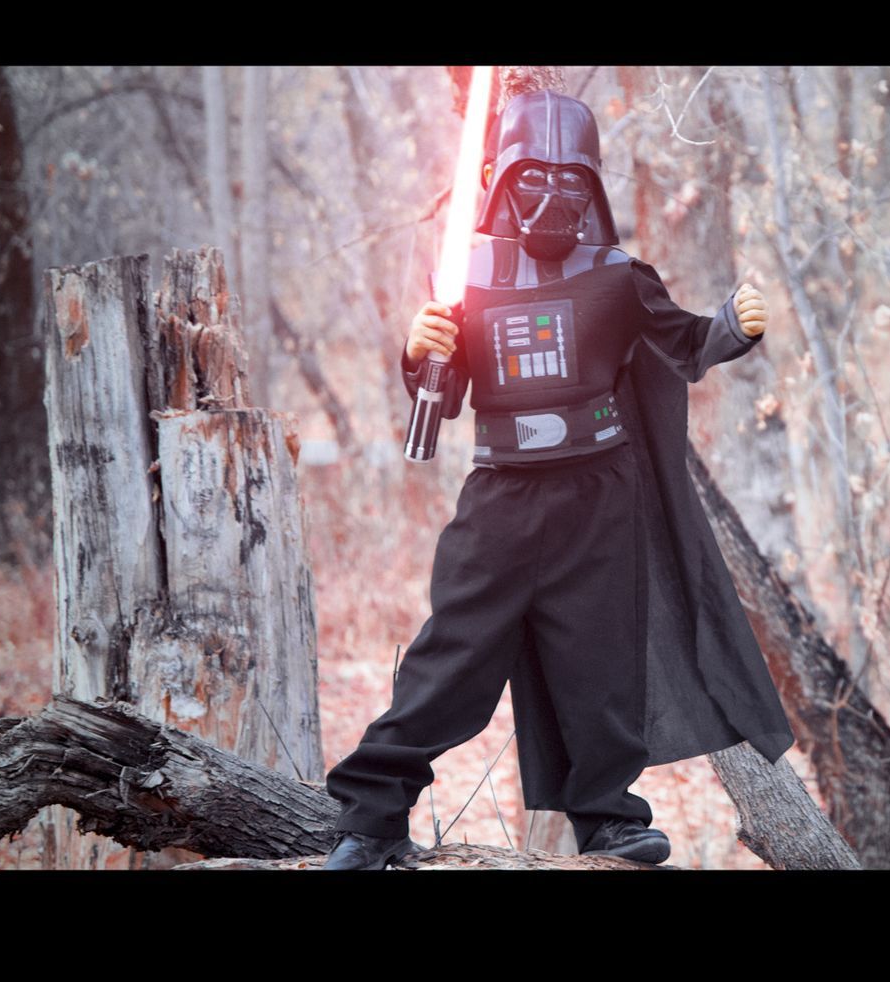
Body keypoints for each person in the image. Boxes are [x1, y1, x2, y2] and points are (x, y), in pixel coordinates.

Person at [322, 86, 795, 870]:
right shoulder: (465, 277)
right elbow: (441, 401)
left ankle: (606, 815)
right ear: (504, 179)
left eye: (571, 180)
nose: (551, 194)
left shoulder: (617, 274)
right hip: (501, 496)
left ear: (594, 187)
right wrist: (422, 352)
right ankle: (371, 814)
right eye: (533, 177)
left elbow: (683, 342)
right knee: (452, 661)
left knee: (600, 664)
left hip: (601, 498)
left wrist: (731, 328)